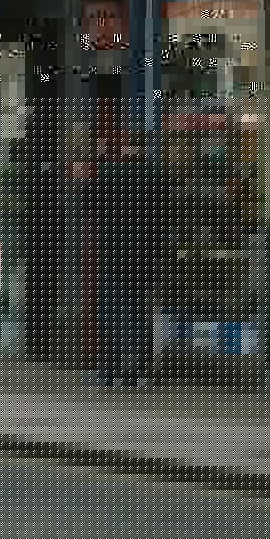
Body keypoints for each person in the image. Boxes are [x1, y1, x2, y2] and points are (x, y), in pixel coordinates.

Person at [95, 128, 161, 387]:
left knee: (111, 312)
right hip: (141, 258)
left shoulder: (107, 174)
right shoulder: (154, 177)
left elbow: (88, 205)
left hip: (112, 256)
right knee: (138, 312)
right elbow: (164, 219)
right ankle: (138, 371)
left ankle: (109, 371)